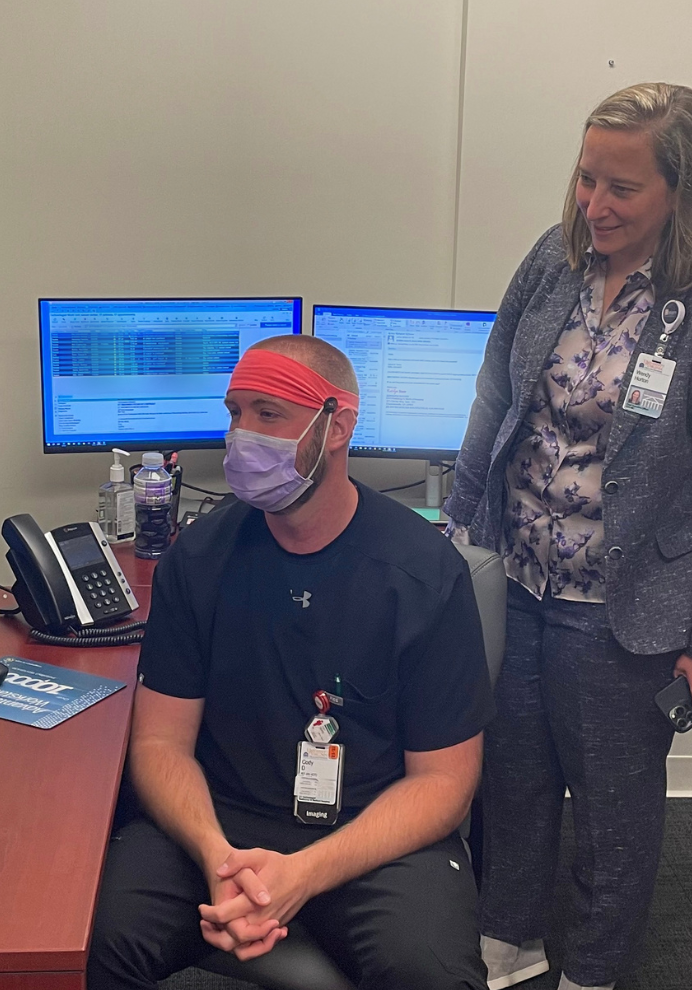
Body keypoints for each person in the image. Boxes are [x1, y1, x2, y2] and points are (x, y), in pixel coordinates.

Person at [445, 83, 692, 990]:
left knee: (611, 809)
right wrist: (459, 524)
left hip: (624, 607)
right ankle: (507, 939)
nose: (594, 204)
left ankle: (593, 969)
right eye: (586, 178)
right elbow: (495, 395)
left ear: (684, 191)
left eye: (621, 188)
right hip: (518, 579)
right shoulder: (549, 267)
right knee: (511, 778)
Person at [87, 335, 495, 990]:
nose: (242, 436)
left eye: (268, 414)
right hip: (214, 823)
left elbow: (444, 783)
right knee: (78, 943)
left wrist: (301, 876)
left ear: (337, 425)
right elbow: (160, 742)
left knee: (435, 975)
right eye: (234, 412)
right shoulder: (199, 560)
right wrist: (217, 858)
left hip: (368, 834)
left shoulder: (421, 572)